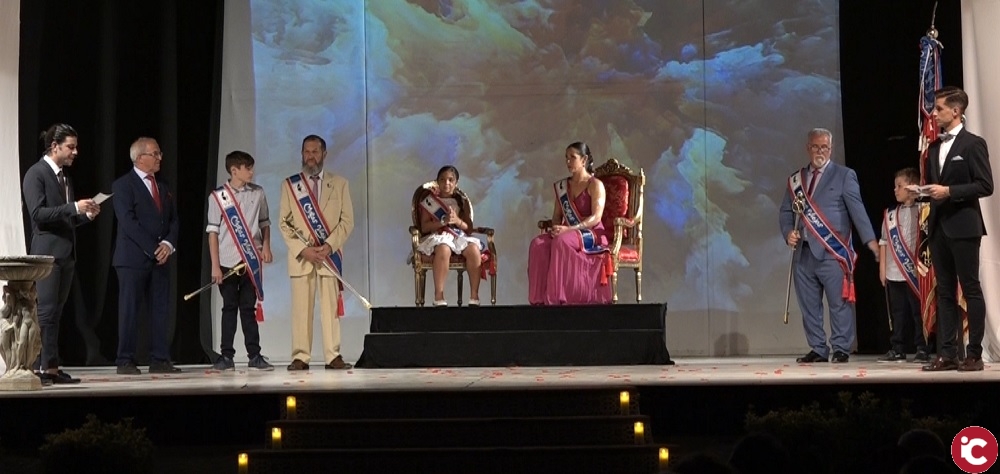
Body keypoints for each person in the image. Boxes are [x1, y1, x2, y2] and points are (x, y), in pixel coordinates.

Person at [779, 128, 878, 364]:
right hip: (803, 253)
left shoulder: (844, 175)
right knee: (809, 306)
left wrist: (871, 241)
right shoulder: (796, 180)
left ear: (831, 149)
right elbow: (785, 211)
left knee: (839, 303)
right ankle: (818, 348)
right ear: (808, 148)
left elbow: (858, 210)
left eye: (824, 147)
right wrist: (788, 232)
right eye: (816, 147)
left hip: (833, 252)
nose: (820, 151)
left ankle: (841, 347)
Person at [917, 86, 994, 372]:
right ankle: (948, 354)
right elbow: (934, 187)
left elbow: (985, 185)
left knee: (971, 289)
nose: (934, 114)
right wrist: (921, 192)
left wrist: (949, 191)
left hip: (964, 226)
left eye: (938, 109)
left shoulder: (973, 144)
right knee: (945, 292)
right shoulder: (934, 147)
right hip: (939, 227)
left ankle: (974, 354)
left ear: (956, 111)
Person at [21, 123, 100, 384]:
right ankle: (36, 368)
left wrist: (85, 215)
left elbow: (66, 218)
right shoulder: (36, 174)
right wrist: (73, 207)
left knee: (55, 313)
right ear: (54, 147)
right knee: (45, 313)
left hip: (65, 254)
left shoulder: (65, 177)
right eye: (70, 147)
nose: (75, 152)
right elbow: (38, 214)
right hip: (47, 254)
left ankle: (51, 368)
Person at [279, 135, 354, 371]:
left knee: (330, 309)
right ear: (302, 154)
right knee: (301, 310)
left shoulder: (340, 184)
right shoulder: (290, 185)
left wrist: (329, 245)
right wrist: (303, 250)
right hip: (302, 258)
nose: (310, 156)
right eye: (306, 152)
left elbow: (347, 221)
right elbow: (284, 223)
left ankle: (333, 356)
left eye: (315, 152)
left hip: (329, 256)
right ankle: (301, 356)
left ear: (324, 154)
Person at [111, 137, 181, 375]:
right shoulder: (123, 185)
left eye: (160, 153)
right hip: (132, 259)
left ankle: (159, 359)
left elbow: (173, 219)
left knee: (160, 309)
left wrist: (168, 244)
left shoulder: (163, 185)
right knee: (130, 310)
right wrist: (153, 248)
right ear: (140, 158)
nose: (160, 158)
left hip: (161, 258)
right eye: (155, 153)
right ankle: (125, 359)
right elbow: (128, 222)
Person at [206, 151, 274, 371]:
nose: (251, 172)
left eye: (251, 167)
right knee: (229, 308)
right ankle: (226, 356)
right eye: (247, 168)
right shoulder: (218, 197)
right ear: (234, 170)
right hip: (227, 261)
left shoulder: (258, 192)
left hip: (250, 260)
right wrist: (215, 266)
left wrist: (266, 246)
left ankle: (255, 355)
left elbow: (265, 223)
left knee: (248, 309)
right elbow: (213, 233)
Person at [528, 142, 611, 305]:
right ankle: (538, 300)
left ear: (584, 159)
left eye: (572, 157)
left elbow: (596, 217)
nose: (568, 162)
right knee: (537, 244)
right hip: (568, 231)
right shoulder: (563, 187)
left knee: (561, 241)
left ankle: (557, 299)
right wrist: (555, 228)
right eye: (566, 158)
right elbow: (556, 216)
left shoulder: (595, 185)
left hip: (591, 233)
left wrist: (570, 229)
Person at [877, 167, 930, 363]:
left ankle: (922, 347)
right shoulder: (890, 215)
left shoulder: (923, 211)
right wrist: (882, 268)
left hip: (915, 273)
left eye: (899, 186)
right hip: (894, 271)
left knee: (918, 312)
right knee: (897, 312)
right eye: (895, 186)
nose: (895, 190)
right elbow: (884, 242)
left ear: (912, 187)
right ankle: (897, 347)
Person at [415, 166, 482, 307]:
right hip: (439, 236)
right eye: (443, 180)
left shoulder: (461, 202)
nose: (447, 183)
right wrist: (442, 222)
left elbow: (468, 228)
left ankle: (474, 296)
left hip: (458, 236)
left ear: (456, 183)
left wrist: (457, 221)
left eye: (451, 180)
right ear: (437, 182)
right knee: (444, 248)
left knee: (474, 250)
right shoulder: (430, 202)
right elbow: (425, 227)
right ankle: (439, 296)